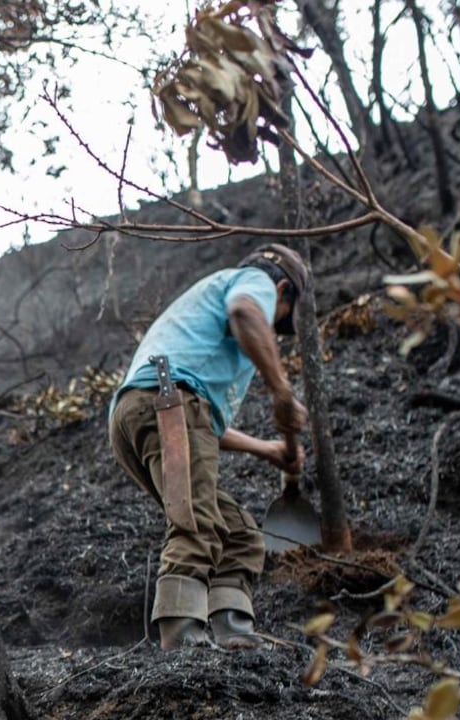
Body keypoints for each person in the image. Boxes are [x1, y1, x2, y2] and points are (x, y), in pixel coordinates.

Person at [109, 244, 311, 650]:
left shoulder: (206, 309)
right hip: (168, 402)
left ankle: (233, 635)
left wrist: (266, 449)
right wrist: (281, 390)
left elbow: (201, 427)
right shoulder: (252, 284)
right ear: (282, 290)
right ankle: (183, 641)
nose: (273, 329)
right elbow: (245, 312)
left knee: (238, 533)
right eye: (280, 321)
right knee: (195, 521)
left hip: (144, 413)